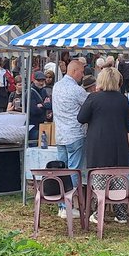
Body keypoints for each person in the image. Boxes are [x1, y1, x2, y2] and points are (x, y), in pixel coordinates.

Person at [77, 67, 129, 223]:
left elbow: (81, 118)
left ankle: (97, 212)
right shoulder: (123, 99)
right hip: (119, 145)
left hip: (98, 144)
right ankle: (121, 214)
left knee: (99, 180)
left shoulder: (93, 98)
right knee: (119, 179)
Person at [52, 60, 88, 218]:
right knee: (73, 171)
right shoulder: (77, 90)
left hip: (60, 134)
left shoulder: (56, 86)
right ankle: (69, 204)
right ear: (74, 71)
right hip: (75, 134)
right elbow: (89, 105)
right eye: (81, 72)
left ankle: (61, 206)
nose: (83, 75)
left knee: (62, 170)